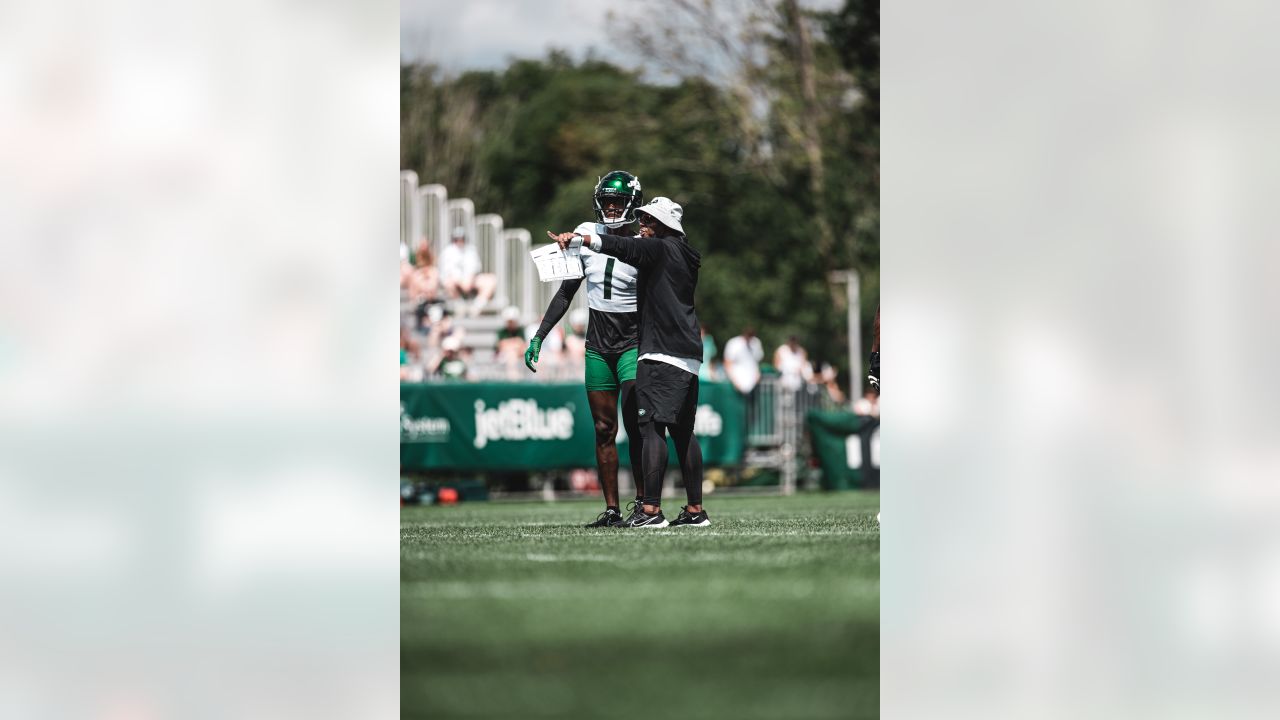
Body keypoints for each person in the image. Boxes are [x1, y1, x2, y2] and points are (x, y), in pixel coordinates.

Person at [552, 196, 710, 529]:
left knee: (650, 428)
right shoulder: (687, 253)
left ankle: (650, 511)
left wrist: (580, 239)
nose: (642, 226)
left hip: (661, 352)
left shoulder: (660, 248)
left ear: (665, 226)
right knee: (683, 432)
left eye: (649, 221)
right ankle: (695, 510)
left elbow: (618, 246)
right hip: (689, 352)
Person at [525, 171, 646, 528]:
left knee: (639, 424)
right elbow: (567, 291)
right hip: (598, 342)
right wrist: (540, 335)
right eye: (606, 200)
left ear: (632, 203)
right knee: (604, 428)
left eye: (618, 201)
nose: (611, 207)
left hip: (633, 341)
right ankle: (612, 509)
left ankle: (645, 504)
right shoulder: (586, 232)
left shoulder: (644, 239)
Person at [439, 227, 497, 315]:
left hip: (470, 281)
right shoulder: (447, 252)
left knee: (491, 280)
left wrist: (469, 279)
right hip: (456, 282)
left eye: (461, 238)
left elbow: (475, 268)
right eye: (456, 239)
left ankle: (477, 306)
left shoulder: (471, 250)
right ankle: (459, 304)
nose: (459, 241)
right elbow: (447, 272)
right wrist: (461, 281)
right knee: (448, 282)